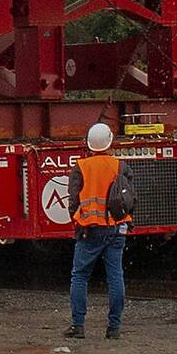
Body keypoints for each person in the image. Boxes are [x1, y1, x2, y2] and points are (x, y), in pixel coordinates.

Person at [67, 121, 135, 340]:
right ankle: (114, 328)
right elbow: (131, 198)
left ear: (89, 143)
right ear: (109, 142)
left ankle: (78, 326)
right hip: (116, 228)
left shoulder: (81, 166)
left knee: (80, 276)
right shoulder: (120, 166)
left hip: (89, 230)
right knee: (115, 276)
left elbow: (73, 201)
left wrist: (77, 220)